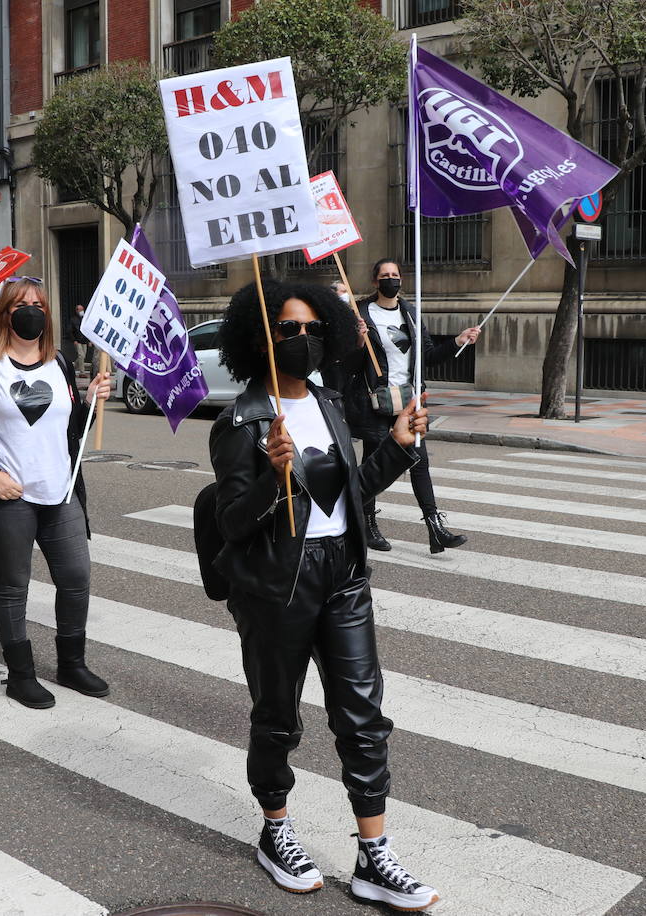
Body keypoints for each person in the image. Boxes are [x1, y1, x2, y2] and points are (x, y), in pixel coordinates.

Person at [209, 280, 438, 911]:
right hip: (276, 584)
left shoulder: (332, 402)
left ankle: (373, 855)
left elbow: (353, 493)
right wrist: (273, 478)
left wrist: (397, 445)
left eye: (312, 328)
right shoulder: (241, 420)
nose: (302, 339)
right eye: (288, 329)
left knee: (363, 717)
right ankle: (275, 829)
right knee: (278, 716)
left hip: (344, 575)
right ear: (261, 339)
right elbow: (231, 521)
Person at [0, 278, 112, 709]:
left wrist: (91, 399)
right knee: (12, 587)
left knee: (76, 579)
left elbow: (68, 426)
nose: (31, 311)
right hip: (11, 497)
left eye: (38, 305)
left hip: (60, 494)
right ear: (6, 311)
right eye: (22, 304)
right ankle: (20, 675)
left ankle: (70, 664)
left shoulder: (57, 361)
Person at [337, 259, 479, 553]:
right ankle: (367, 525)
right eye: (385, 276)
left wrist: (457, 341)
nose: (391, 280)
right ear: (375, 282)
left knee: (419, 461)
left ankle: (435, 527)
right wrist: (359, 341)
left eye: (395, 275)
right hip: (375, 401)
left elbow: (427, 355)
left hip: (409, 401)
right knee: (375, 464)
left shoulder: (411, 313)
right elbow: (349, 366)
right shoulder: (360, 313)